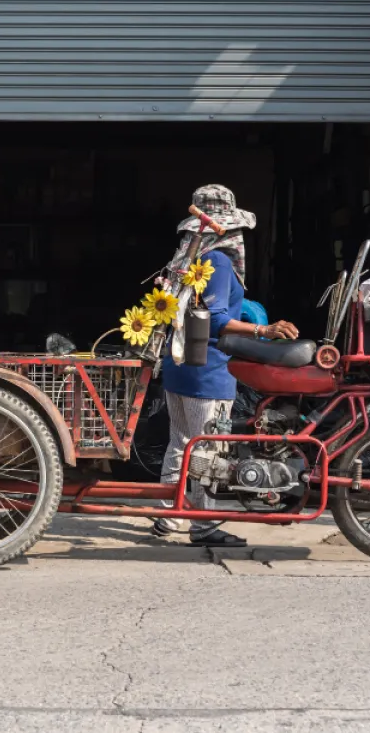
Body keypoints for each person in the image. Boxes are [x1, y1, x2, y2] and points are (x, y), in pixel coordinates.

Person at [152, 185, 298, 547]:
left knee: (180, 443)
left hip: (180, 365)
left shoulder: (189, 262)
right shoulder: (216, 261)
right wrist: (264, 328)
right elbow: (215, 318)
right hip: (207, 371)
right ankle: (204, 525)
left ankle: (167, 518)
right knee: (208, 449)